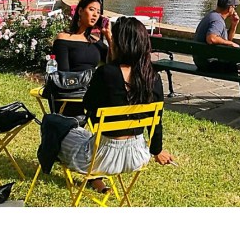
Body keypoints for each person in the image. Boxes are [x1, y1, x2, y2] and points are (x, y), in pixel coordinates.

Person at [46, 17, 175, 185]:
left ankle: (45, 166)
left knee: (54, 125)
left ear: (120, 43)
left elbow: (88, 105)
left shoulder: (105, 73)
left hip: (100, 158)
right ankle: (97, 183)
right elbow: (156, 123)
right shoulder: (153, 77)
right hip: (137, 156)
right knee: (81, 134)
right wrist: (156, 151)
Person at [47, 0, 111, 113]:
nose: (96, 15)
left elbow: (114, 62)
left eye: (98, 12)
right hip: (70, 92)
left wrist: (108, 35)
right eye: (91, 9)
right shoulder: (64, 38)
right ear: (80, 11)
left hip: (92, 93)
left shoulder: (96, 42)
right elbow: (63, 73)